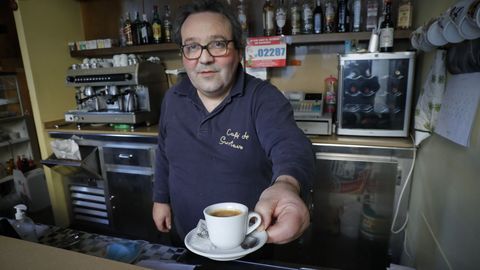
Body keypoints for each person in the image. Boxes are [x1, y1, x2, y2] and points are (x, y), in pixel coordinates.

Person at [152, 0, 314, 245]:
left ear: (239, 51)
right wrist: (160, 199)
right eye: (192, 46)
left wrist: (287, 184)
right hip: (187, 237)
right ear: (183, 55)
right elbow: (164, 151)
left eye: (218, 44)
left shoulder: (263, 98)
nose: (204, 58)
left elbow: (290, 145)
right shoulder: (173, 98)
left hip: (247, 245)